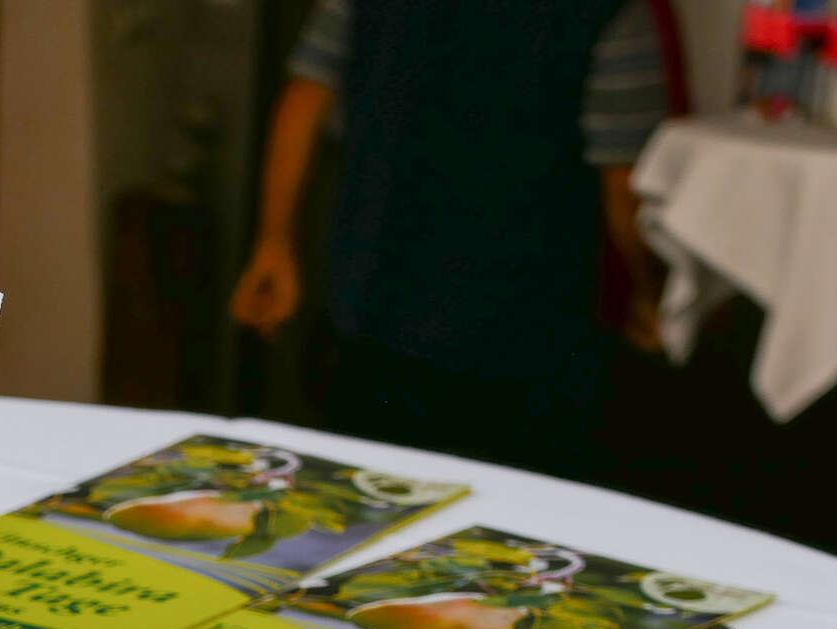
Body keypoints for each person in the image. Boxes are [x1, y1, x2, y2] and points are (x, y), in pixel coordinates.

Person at [229, 0, 672, 480]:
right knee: (503, 514)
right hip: (525, 343)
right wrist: (649, 291)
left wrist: (274, 244)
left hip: (374, 316)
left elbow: (304, 98)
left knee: (363, 501)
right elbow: (624, 183)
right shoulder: (608, 11)